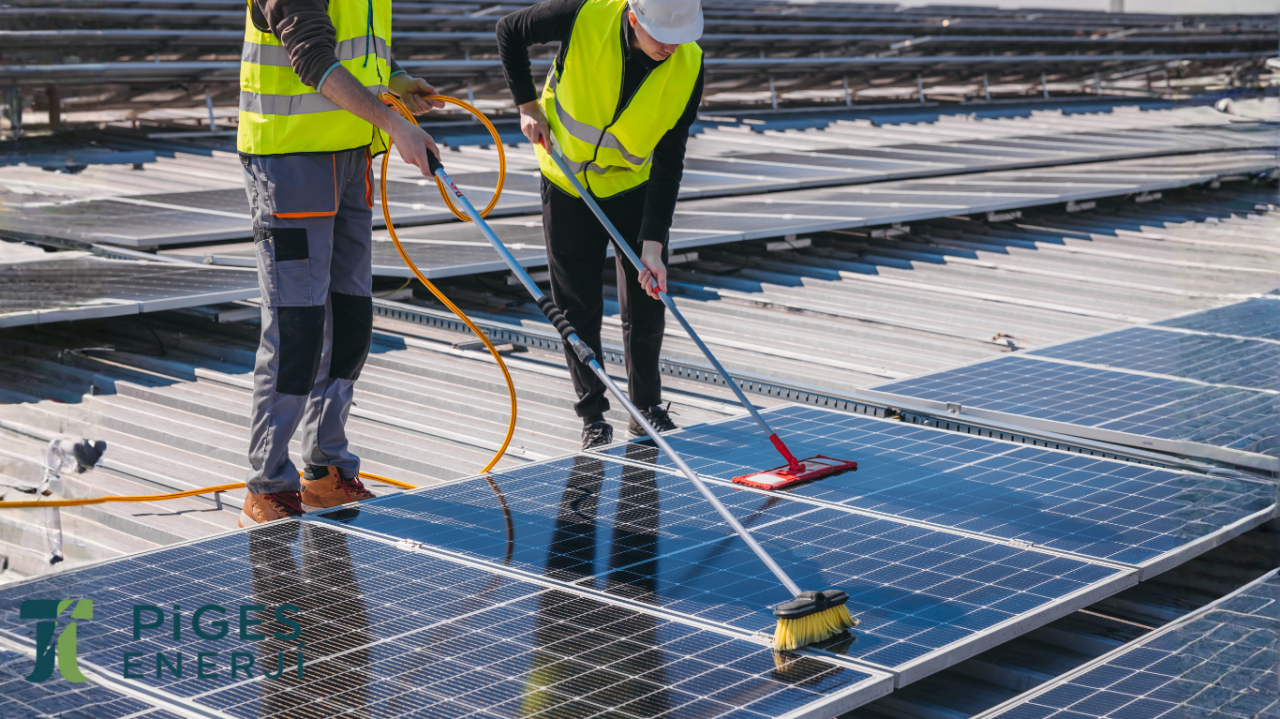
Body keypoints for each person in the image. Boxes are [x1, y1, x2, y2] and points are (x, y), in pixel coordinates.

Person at [237, 0, 443, 525]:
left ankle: (326, 471)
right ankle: (269, 486)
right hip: (290, 161)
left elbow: (361, 49)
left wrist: (395, 81)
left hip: (351, 156)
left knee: (350, 321)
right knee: (297, 328)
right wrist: (395, 125)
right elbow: (311, 59)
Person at [497, 0, 705, 450]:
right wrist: (527, 105)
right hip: (567, 184)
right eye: (662, 36)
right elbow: (509, 30)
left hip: (633, 186)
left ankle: (646, 408)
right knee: (578, 307)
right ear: (634, 18)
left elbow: (670, 158)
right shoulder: (585, 14)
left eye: (680, 36)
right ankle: (593, 415)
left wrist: (653, 244)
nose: (672, 46)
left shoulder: (689, 63)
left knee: (648, 299)